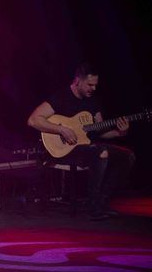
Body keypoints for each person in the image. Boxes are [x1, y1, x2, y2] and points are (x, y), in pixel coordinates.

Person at [27, 63, 135, 220]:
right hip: (64, 150)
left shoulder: (93, 102)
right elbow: (33, 120)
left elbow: (101, 133)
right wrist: (61, 129)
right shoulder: (60, 97)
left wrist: (121, 132)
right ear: (77, 81)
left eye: (95, 85)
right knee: (101, 152)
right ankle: (93, 207)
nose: (93, 88)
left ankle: (102, 202)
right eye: (90, 85)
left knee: (128, 156)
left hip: (87, 148)